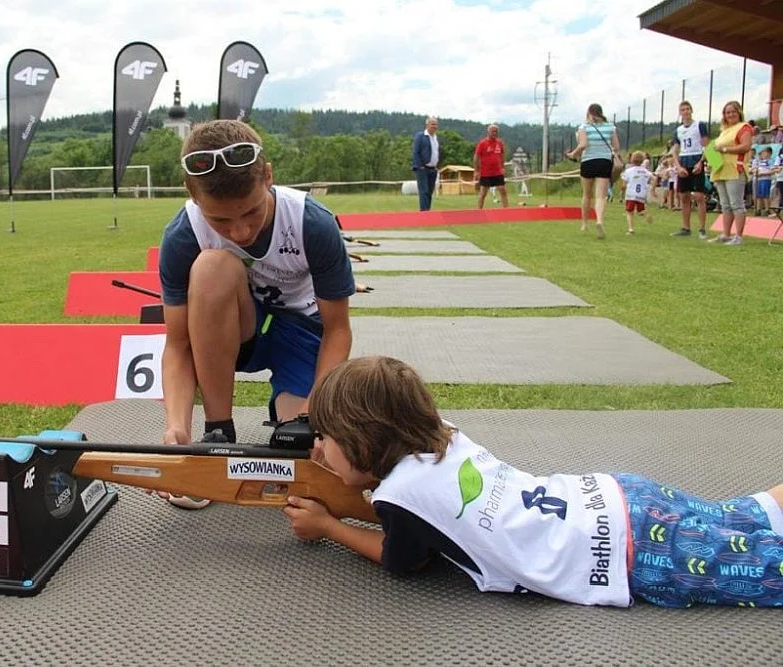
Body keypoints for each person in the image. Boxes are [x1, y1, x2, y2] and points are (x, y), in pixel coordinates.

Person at [284, 355, 783, 609]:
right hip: (617, 496)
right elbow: (429, 525)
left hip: (620, 551)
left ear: (365, 441)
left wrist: (331, 525)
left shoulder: (399, 495)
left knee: (762, 570)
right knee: (739, 516)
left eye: (327, 438)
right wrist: (347, 490)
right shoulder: (443, 437)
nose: (320, 448)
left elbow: (404, 556)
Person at [158, 119, 355, 508]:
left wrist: (312, 410)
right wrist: (176, 427)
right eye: (220, 220)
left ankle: (293, 416)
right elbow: (178, 345)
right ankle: (218, 435)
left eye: (250, 212)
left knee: (303, 448)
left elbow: (338, 331)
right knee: (213, 266)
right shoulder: (183, 234)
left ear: (268, 177)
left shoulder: (312, 222)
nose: (240, 232)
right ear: (192, 194)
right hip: (237, 329)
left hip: (302, 330)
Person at [566, 104, 619, 239]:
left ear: (589, 113)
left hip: (588, 161)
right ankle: (599, 220)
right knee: (601, 195)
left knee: (586, 194)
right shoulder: (610, 127)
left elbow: (583, 145)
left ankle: (584, 223)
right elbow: (616, 147)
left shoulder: (584, 127)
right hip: (604, 162)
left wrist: (573, 154)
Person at [708, 101, 754, 245]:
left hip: (735, 169)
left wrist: (726, 150)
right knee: (725, 204)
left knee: (736, 203)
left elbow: (746, 146)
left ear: (739, 112)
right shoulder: (724, 131)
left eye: (733, 111)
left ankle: (738, 236)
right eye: (727, 112)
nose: (730, 114)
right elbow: (715, 148)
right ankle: (726, 234)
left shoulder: (744, 127)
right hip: (721, 170)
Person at [670, 100, 710, 238]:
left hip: (696, 159)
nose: (686, 112)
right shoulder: (678, 130)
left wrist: (701, 162)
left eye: (688, 109)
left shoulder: (699, 125)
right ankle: (686, 227)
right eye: (683, 110)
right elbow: (675, 150)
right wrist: (678, 166)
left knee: (699, 195)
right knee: (684, 196)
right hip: (684, 160)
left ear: (691, 110)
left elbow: (706, 146)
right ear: (680, 113)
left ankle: (702, 228)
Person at [473, 124, 509, 209]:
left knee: (502, 190)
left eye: (496, 131)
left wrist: (503, 167)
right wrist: (476, 171)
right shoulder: (482, 143)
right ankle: (479, 211)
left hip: (497, 172)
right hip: (486, 173)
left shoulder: (499, 143)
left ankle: (507, 211)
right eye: (493, 131)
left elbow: (502, 155)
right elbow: (476, 157)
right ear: (488, 132)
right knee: (483, 193)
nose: (495, 133)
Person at [411, 117, 440, 211]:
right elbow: (416, 152)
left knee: (429, 192)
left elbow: (436, 152)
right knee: (424, 191)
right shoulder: (420, 136)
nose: (435, 126)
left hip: (433, 169)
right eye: (432, 124)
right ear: (427, 125)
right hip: (423, 169)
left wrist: (436, 166)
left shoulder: (435, 138)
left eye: (436, 124)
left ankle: (427, 211)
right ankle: (424, 213)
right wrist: (420, 166)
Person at [621, 151, 653, 234]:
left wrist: (623, 192)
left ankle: (631, 229)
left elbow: (623, 185)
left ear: (632, 160)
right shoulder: (645, 171)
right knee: (640, 210)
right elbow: (654, 178)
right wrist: (652, 187)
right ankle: (646, 214)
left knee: (629, 211)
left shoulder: (628, 171)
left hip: (631, 194)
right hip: (641, 194)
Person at [751, 146, 774, 216]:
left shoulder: (771, 161)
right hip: (759, 180)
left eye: (765, 153)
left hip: (766, 179)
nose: (764, 154)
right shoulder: (759, 161)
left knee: (765, 195)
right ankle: (758, 209)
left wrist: (762, 173)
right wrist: (756, 172)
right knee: (758, 195)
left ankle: (767, 209)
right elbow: (754, 170)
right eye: (763, 153)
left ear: (769, 154)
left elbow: (773, 170)